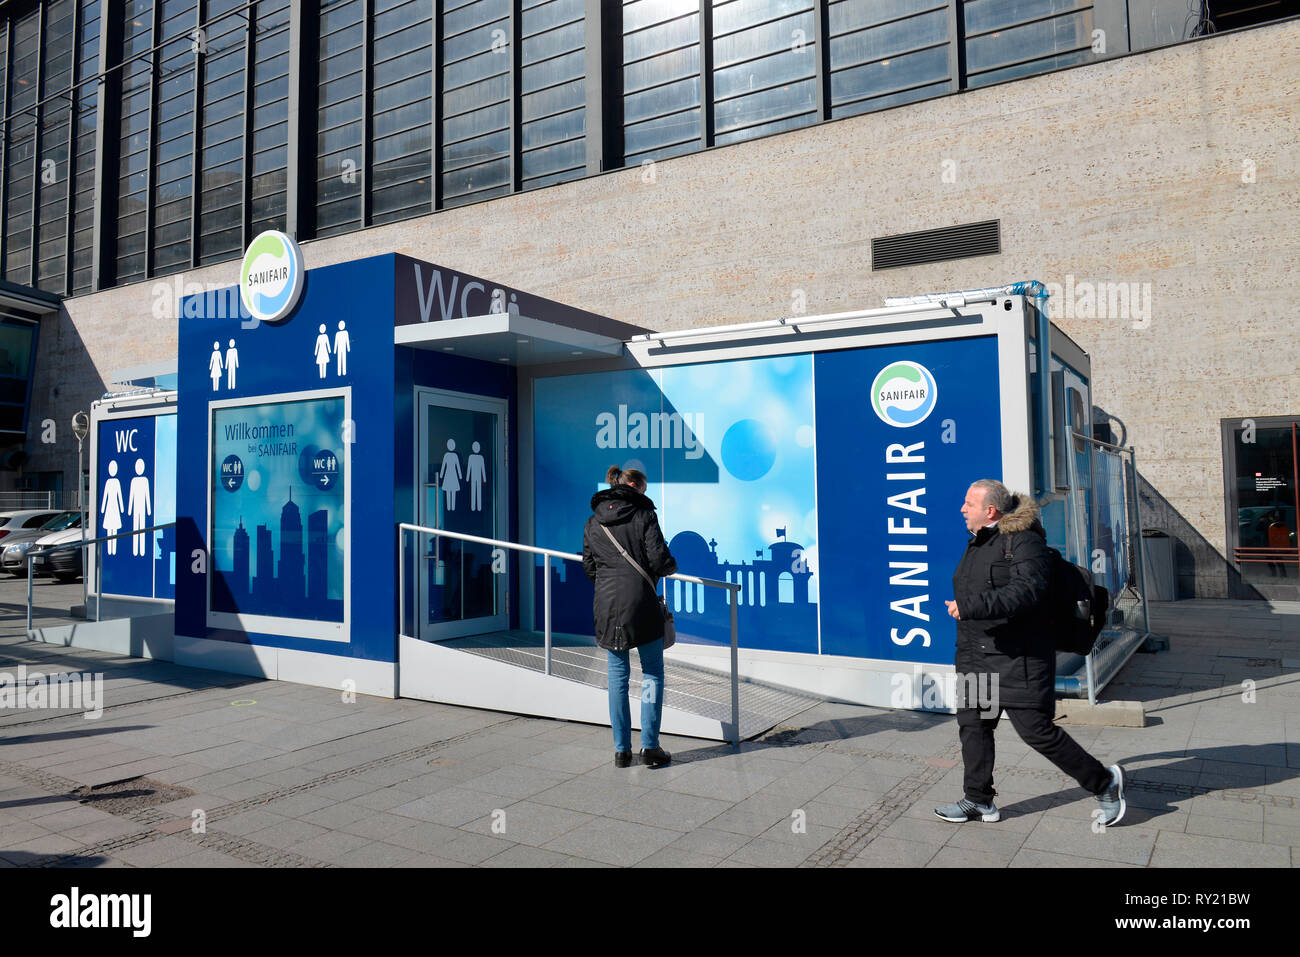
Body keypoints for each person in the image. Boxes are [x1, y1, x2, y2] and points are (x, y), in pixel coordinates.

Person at [935, 478, 1126, 827]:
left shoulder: (1024, 542)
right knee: (973, 726)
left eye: (969, 504)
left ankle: (1105, 782)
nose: (963, 509)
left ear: (989, 510)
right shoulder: (979, 542)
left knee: (1036, 731)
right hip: (977, 658)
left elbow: (1028, 592)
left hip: (1019, 658)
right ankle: (979, 800)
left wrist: (970, 606)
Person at [582, 465, 677, 768]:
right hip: (641, 603)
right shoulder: (644, 515)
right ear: (636, 486)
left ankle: (621, 751)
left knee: (617, 677)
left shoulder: (593, 520)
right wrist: (671, 566)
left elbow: (589, 567)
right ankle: (650, 747)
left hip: (607, 605)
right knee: (651, 674)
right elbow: (659, 560)